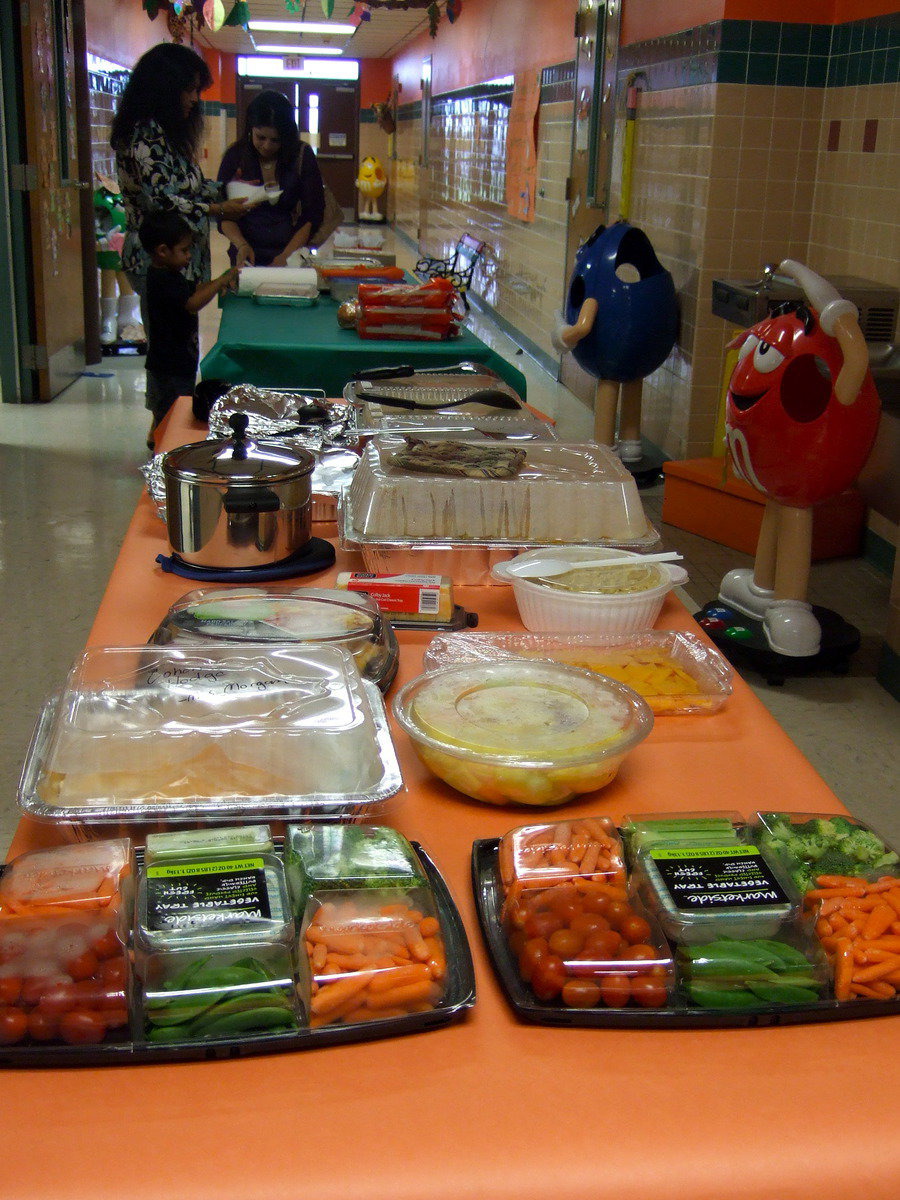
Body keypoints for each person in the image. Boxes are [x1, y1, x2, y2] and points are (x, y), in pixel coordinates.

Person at [110, 43, 252, 320]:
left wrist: (235, 190)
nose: (194, 99)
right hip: (156, 259)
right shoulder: (145, 133)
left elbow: (189, 187)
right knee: (168, 344)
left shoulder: (165, 134)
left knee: (181, 337)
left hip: (179, 257)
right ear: (165, 90)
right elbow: (163, 201)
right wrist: (218, 210)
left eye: (197, 90)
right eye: (189, 90)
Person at [139, 211, 237, 448]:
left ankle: (161, 444)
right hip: (168, 368)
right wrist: (220, 282)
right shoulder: (162, 280)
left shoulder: (171, 274)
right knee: (170, 414)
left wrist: (216, 283)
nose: (189, 256)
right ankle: (164, 454)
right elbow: (192, 303)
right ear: (163, 251)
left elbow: (193, 289)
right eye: (184, 250)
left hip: (177, 363)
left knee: (168, 412)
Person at [217, 90, 326, 268]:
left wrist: (285, 256)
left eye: (275, 140)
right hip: (244, 253)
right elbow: (223, 211)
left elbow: (312, 214)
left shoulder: (301, 155)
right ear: (250, 128)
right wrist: (241, 244)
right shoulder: (235, 156)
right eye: (261, 137)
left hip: (291, 252)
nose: (267, 146)